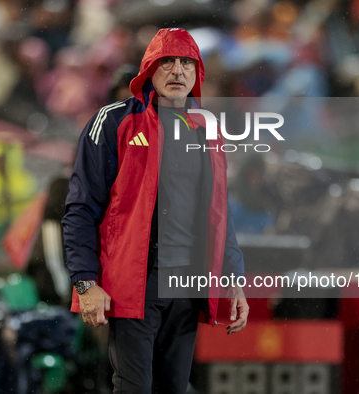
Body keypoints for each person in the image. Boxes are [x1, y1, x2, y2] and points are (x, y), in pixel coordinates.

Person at [62, 28, 249, 393]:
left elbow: (218, 214)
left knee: (174, 388)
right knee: (133, 387)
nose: (177, 71)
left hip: (188, 283)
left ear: (198, 74)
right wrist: (85, 282)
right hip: (135, 282)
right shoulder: (114, 121)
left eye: (186, 63)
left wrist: (234, 278)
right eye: (168, 62)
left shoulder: (208, 129)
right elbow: (81, 208)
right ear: (148, 69)